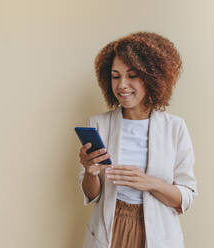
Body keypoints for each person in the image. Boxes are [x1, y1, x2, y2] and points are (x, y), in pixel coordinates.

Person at [78, 31, 198, 248]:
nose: (122, 85)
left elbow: (186, 197)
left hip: (157, 233)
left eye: (132, 75)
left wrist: (149, 182)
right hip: (108, 230)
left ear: (152, 77)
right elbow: (92, 195)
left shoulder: (175, 128)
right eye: (116, 76)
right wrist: (90, 172)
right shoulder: (99, 125)